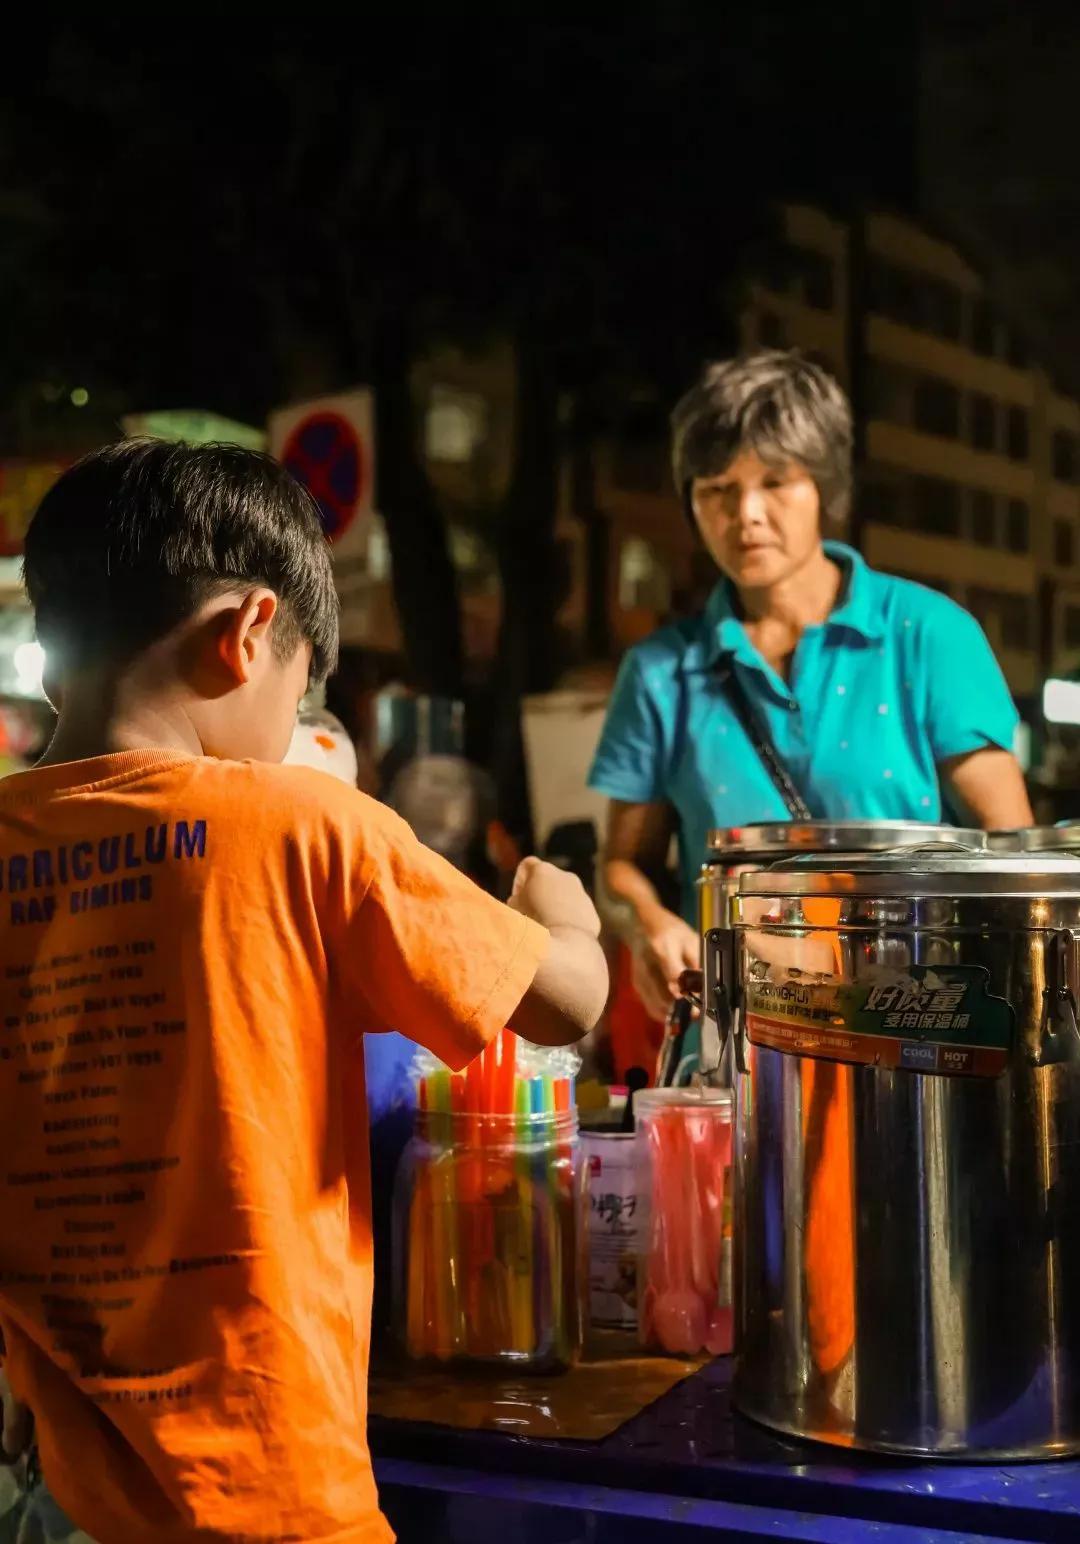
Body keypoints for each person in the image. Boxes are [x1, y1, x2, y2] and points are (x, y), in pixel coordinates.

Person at [0, 439, 608, 1544]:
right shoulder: (304, 826)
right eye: (303, 684)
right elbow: (564, 1002)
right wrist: (565, 908)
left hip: (59, 1488)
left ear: (53, 653)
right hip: (272, 1491)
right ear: (245, 635)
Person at [589, 349, 1033, 1029]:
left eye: (776, 480)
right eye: (716, 488)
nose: (747, 514)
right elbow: (621, 867)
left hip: (916, 1032)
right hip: (734, 1038)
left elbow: (1013, 856)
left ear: (823, 486)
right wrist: (646, 921)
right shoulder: (659, 671)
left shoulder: (929, 636)